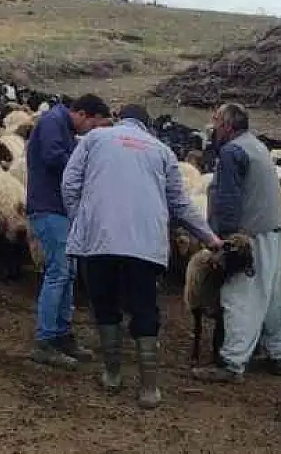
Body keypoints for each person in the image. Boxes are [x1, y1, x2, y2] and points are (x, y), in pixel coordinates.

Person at [62, 104, 222, 408]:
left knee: (105, 304)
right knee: (145, 307)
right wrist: (210, 238)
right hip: (145, 244)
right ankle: (149, 388)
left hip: (101, 240)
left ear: (120, 120)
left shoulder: (95, 139)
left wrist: (81, 220)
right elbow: (180, 204)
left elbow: (69, 185)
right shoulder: (162, 150)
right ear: (147, 126)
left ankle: (112, 375)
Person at [192, 102, 281, 384]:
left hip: (250, 235)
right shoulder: (256, 146)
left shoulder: (231, 151)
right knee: (274, 297)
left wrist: (224, 240)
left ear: (227, 125)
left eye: (215, 121)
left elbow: (227, 199)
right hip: (273, 229)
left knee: (239, 296)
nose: (211, 127)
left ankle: (231, 362)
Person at [26, 93, 113, 368]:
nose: (92, 133)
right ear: (84, 114)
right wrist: (88, 167)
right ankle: (46, 339)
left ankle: (62, 334)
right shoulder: (53, 121)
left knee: (68, 272)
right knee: (59, 271)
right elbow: (54, 158)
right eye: (94, 126)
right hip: (48, 208)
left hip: (60, 210)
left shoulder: (62, 126)